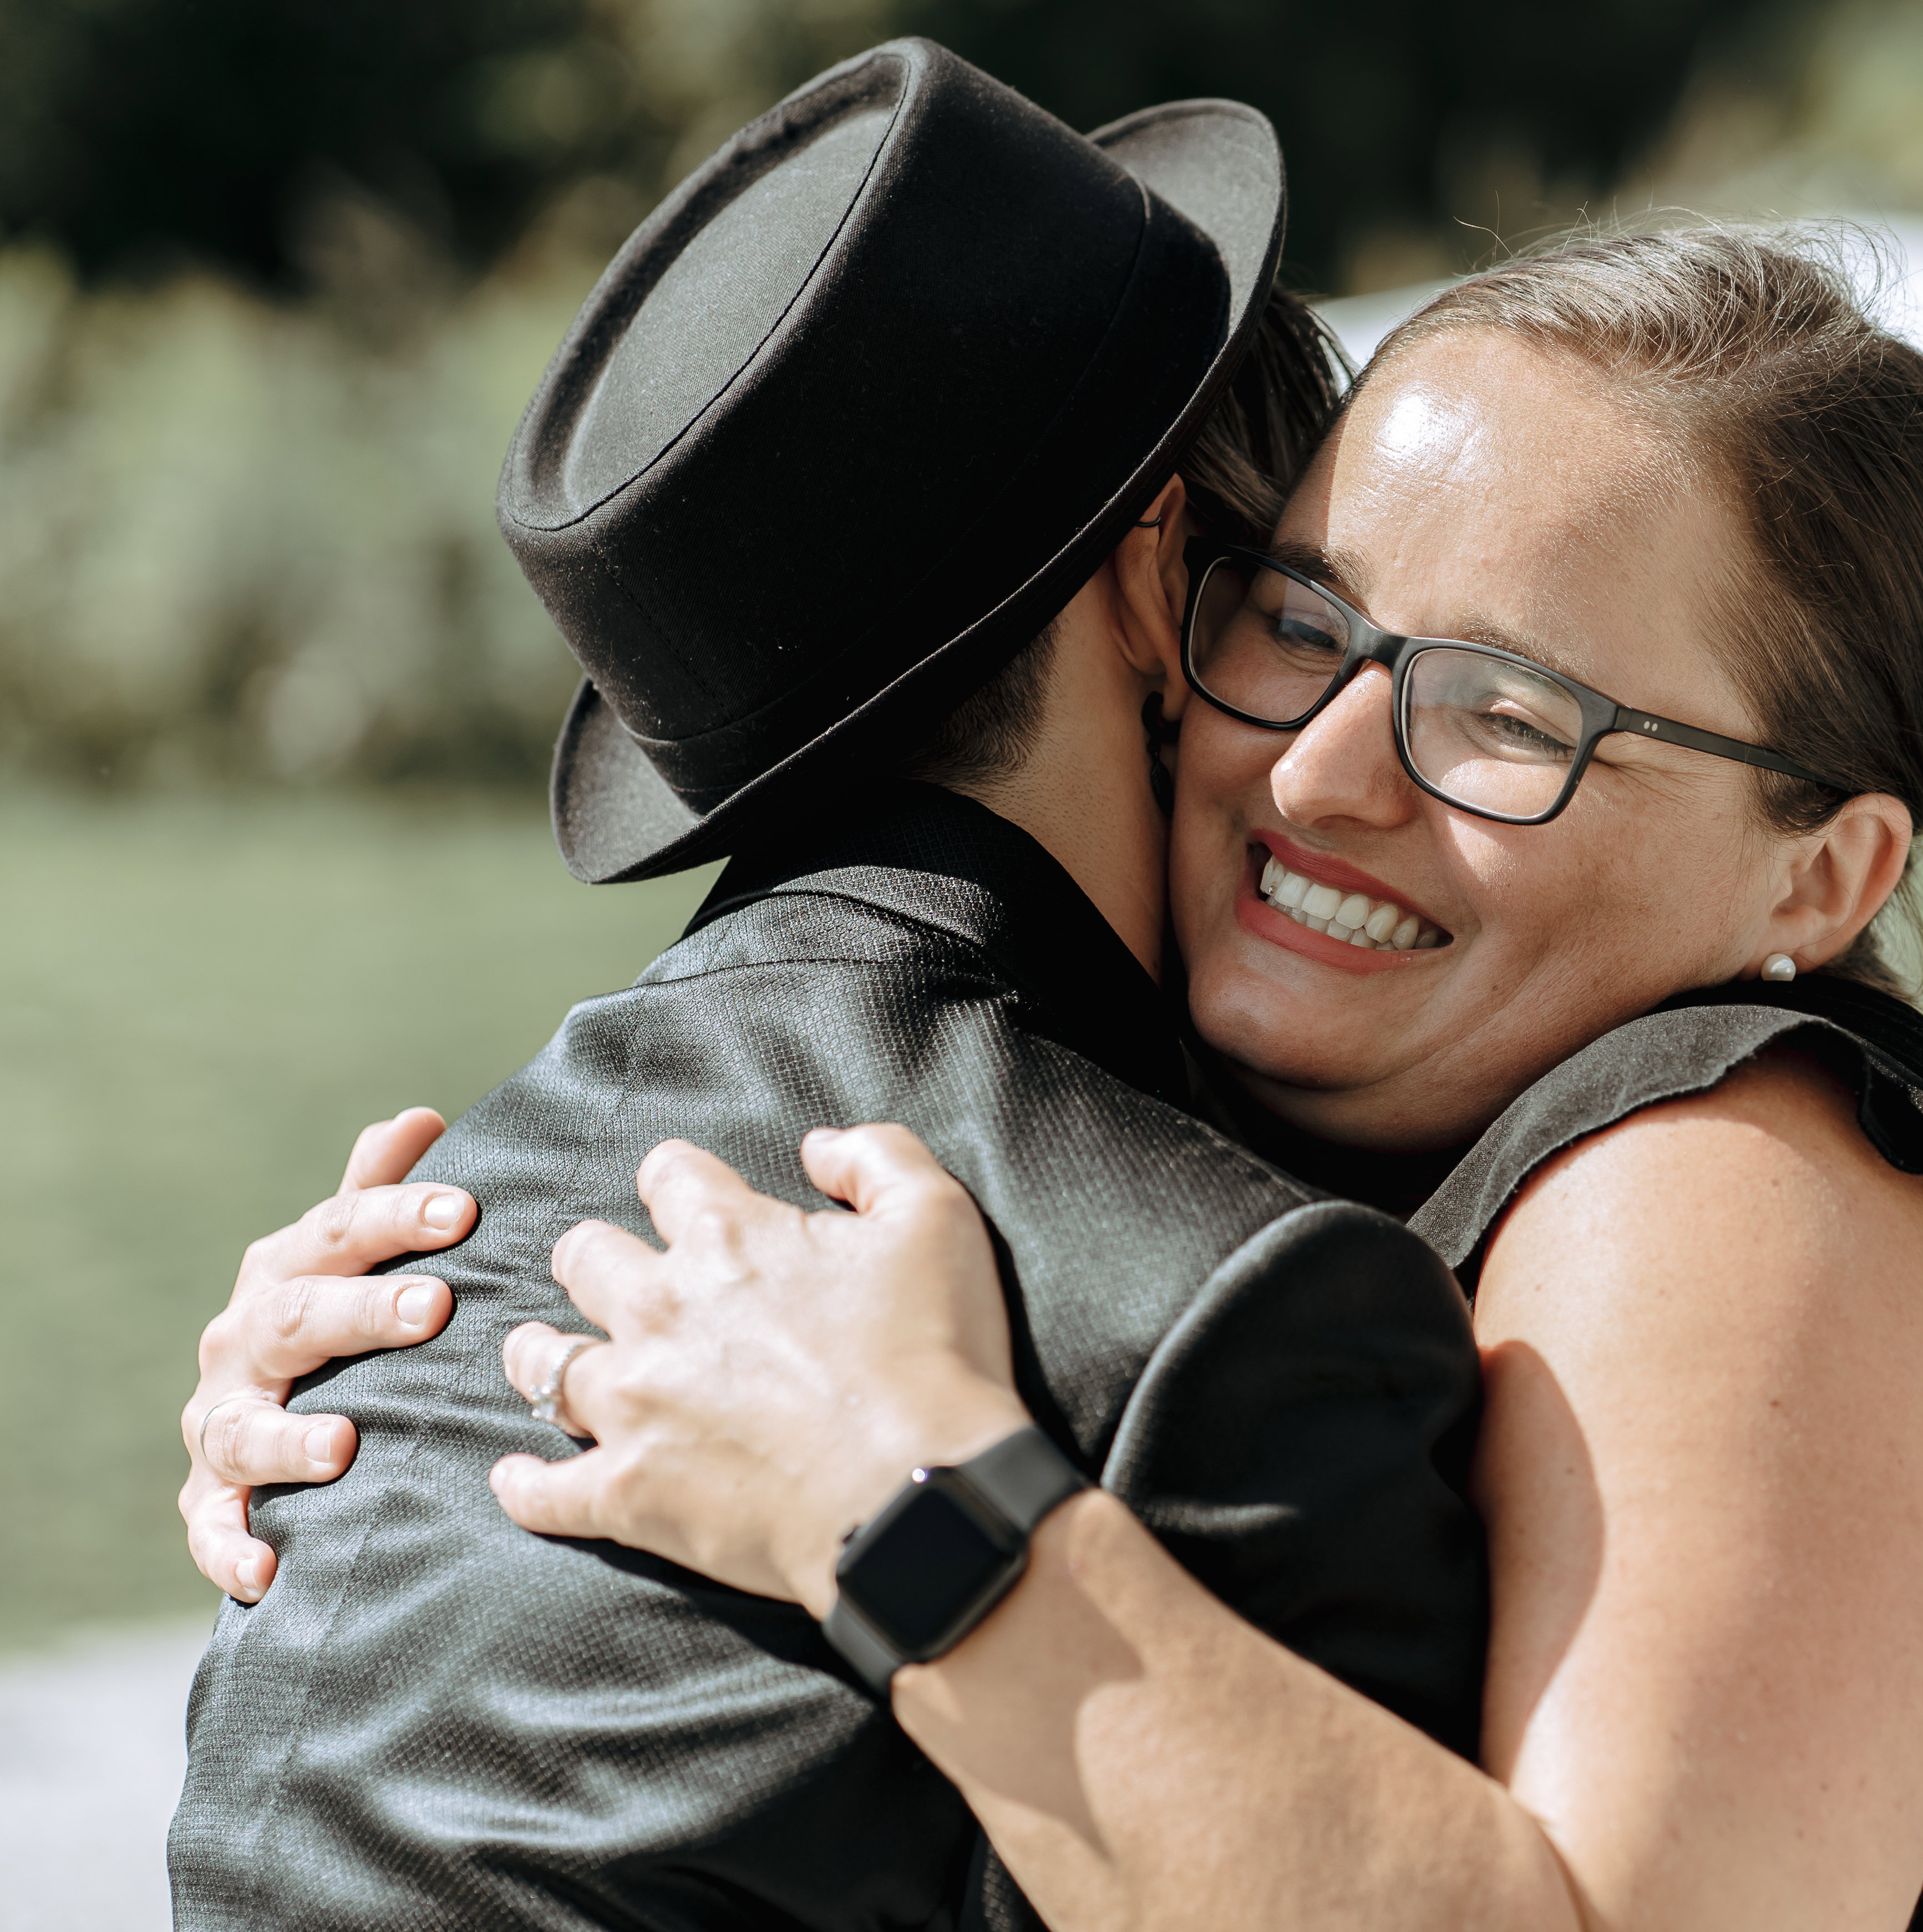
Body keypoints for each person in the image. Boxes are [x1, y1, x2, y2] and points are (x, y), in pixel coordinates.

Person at [182, 222, 1923, 1927]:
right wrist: (415, 1386)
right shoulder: (1298, 1155)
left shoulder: (1731, 1180)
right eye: (1306, 622)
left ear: (1826, 868)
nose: (1326, 774)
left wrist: (896, 1496)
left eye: (1518, 719)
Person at [168, 41, 1489, 1931]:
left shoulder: (384, 1283)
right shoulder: (1225, 1306)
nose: (1348, 722)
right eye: (1293, 603)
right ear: (1151, 578)